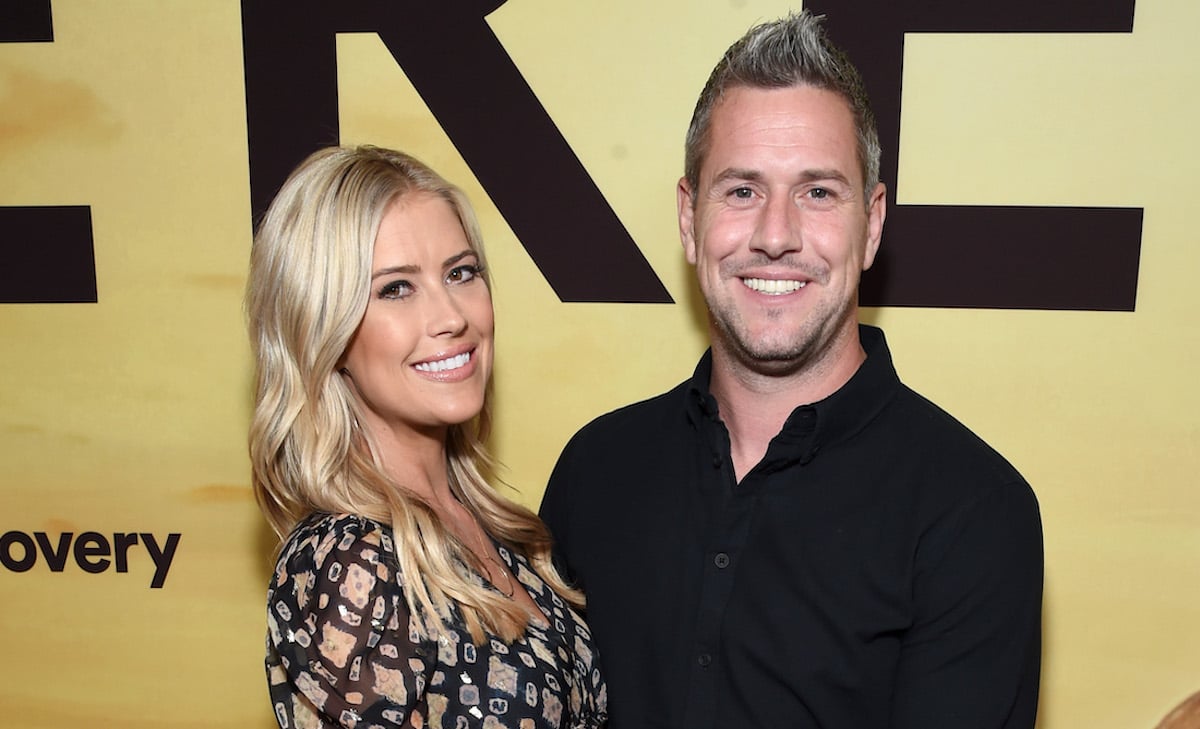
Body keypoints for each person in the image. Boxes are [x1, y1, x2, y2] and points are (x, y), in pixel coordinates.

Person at [540, 11, 1042, 729]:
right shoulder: (595, 470)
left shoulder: (973, 513)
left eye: (817, 192)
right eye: (742, 191)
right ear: (690, 219)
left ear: (872, 224)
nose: (776, 236)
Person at [247, 145, 607, 729]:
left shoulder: (499, 529)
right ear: (324, 331)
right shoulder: (348, 562)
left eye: (460, 274)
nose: (451, 317)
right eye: (396, 288)